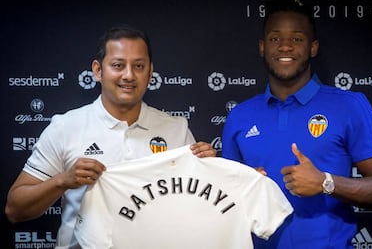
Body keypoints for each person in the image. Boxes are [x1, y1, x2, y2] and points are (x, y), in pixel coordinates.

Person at [5, 25, 216, 248]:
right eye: (118, 65)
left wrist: (211, 172)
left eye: (139, 66)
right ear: (98, 70)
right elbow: (14, 210)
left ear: (150, 71)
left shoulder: (177, 129)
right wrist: (62, 181)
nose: (129, 75)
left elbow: (200, 208)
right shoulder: (66, 127)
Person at [221, 0, 372, 249]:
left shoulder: (349, 105)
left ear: (313, 47)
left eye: (297, 39)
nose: (285, 46)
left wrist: (325, 182)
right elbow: (226, 201)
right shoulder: (239, 116)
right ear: (262, 47)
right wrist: (246, 187)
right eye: (274, 38)